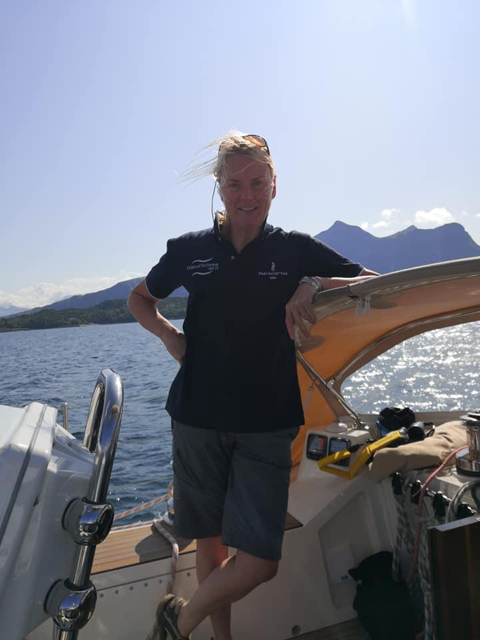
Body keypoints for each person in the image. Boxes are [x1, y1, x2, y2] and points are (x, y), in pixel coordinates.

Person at [127, 131, 378, 640]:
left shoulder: (293, 250)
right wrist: (169, 336)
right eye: (235, 183)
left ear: (274, 186)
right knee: (211, 542)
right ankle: (220, 636)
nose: (247, 195)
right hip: (196, 415)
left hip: (267, 421)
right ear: (220, 187)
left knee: (261, 560)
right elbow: (139, 299)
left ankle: (182, 617)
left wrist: (308, 283)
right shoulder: (189, 250)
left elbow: (371, 283)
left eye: (257, 182)